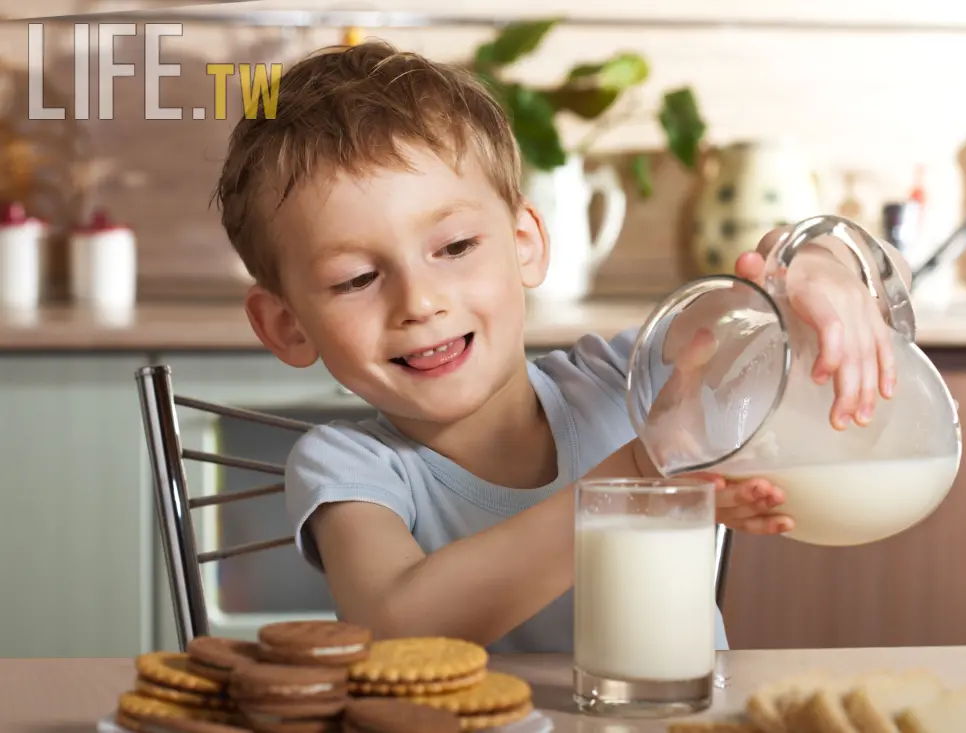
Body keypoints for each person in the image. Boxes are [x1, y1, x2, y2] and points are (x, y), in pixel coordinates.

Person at [213, 41, 912, 654]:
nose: (419, 302)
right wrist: (640, 473)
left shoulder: (628, 379)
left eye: (455, 246)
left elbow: (856, 291)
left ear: (525, 244)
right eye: (357, 278)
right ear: (286, 326)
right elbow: (396, 625)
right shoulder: (350, 467)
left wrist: (824, 266)